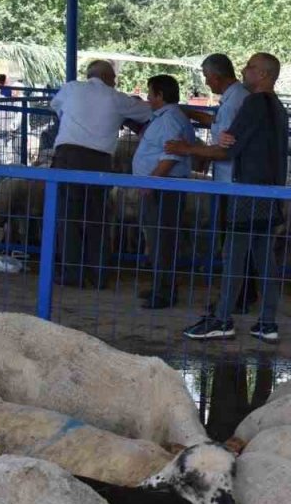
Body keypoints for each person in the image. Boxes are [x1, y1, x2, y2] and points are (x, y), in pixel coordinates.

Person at [182, 53, 289, 342]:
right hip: (271, 193)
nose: (244, 70)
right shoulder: (278, 107)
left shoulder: (253, 103)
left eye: (251, 67)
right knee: (264, 259)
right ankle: (267, 322)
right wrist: (230, 138)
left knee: (235, 255)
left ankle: (222, 318)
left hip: (247, 193)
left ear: (264, 74)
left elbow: (229, 148)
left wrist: (190, 149)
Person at [49, 59, 152, 287]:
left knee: (68, 218)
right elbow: (148, 112)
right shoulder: (116, 98)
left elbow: (56, 108)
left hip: (67, 157)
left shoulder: (72, 88)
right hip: (99, 162)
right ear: (109, 78)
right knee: (98, 219)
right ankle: (99, 275)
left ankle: (71, 273)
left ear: (90, 75)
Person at [168, 53, 257, 313]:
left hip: (231, 181)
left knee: (233, 244)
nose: (206, 82)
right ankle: (242, 295)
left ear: (216, 77)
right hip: (228, 180)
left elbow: (224, 149)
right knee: (238, 242)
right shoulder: (233, 99)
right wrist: (190, 112)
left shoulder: (233, 102)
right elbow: (220, 126)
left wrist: (187, 149)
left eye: (207, 77)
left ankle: (235, 299)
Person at [133, 74, 195, 309]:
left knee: (163, 240)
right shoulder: (167, 117)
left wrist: (152, 181)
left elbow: (171, 154)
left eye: (150, 94)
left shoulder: (170, 119)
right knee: (159, 239)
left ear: (160, 95)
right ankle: (161, 286)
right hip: (161, 186)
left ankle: (165, 293)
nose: (148, 98)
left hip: (164, 187)